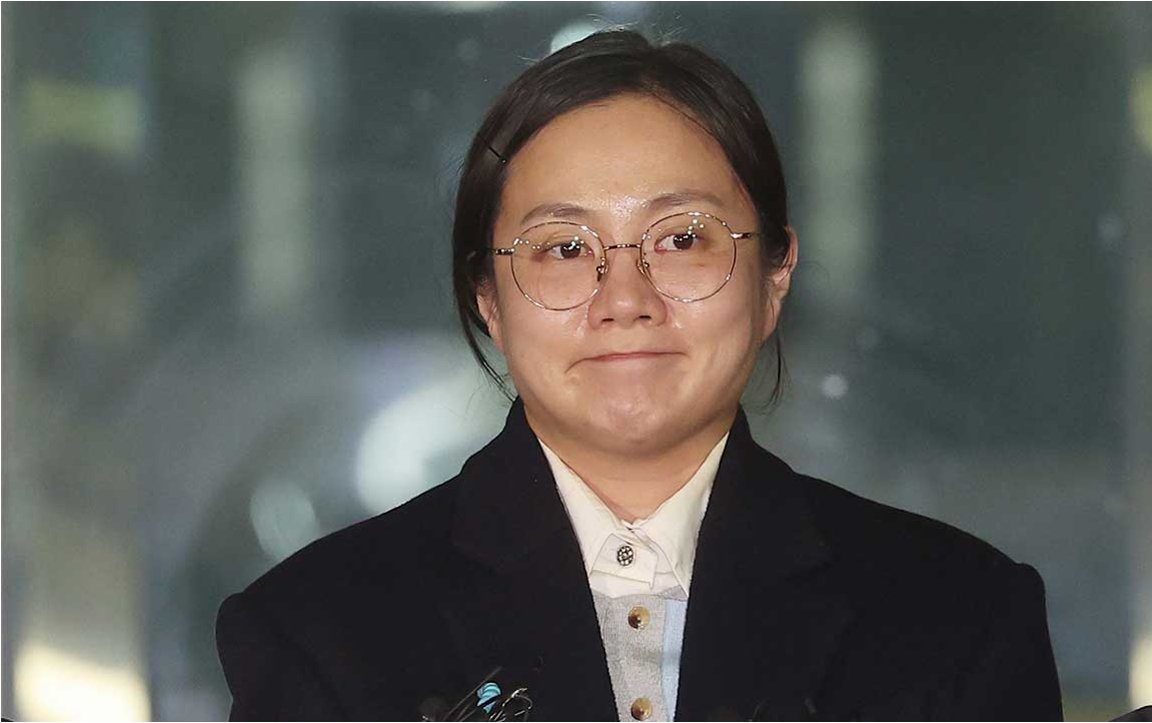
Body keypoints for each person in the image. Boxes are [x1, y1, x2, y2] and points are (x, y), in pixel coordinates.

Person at [216, 30, 1063, 721]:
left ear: (774, 276)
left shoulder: (960, 615)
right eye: (562, 248)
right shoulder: (319, 629)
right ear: (488, 300)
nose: (625, 299)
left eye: (683, 238)